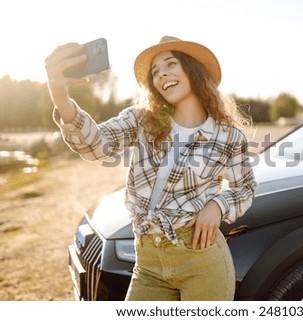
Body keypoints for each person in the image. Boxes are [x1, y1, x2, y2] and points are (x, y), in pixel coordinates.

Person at [45, 36, 257, 301]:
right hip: (147, 263)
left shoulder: (227, 136)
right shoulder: (142, 120)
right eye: (155, 72)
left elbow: (246, 188)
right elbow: (94, 145)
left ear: (192, 70)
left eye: (171, 64)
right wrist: (61, 100)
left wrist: (218, 205)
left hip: (201, 258)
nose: (161, 74)